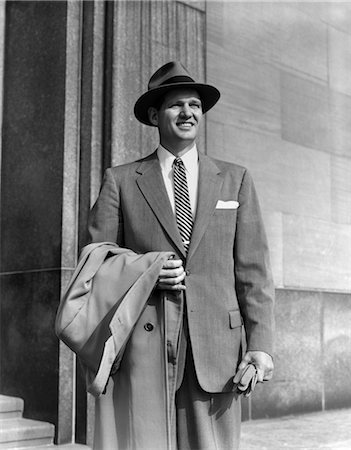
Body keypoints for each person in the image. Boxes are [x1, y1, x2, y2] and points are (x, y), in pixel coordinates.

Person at [87, 61, 275, 450]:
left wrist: (260, 344)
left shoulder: (235, 178)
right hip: (144, 344)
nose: (188, 113)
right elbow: (95, 261)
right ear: (155, 115)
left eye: (195, 105)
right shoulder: (121, 180)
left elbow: (253, 272)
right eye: (176, 105)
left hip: (218, 349)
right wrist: (147, 271)